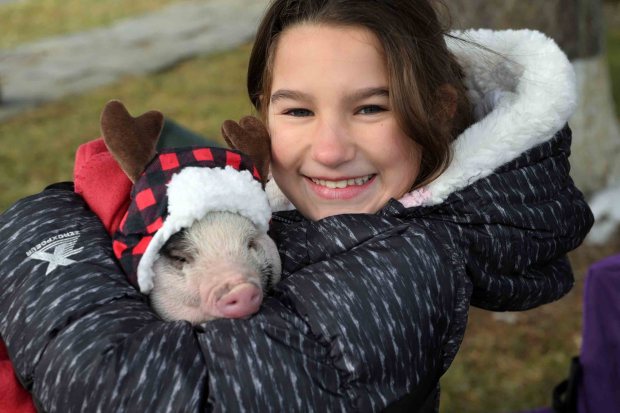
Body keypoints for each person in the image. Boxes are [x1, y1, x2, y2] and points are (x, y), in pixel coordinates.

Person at [0, 0, 593, 411]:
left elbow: (130, 395)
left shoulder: (410, 267)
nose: (329, 151)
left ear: (436, 112)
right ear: (262, 114)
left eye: (369, 108)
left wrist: (42, 230)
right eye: (297, 111)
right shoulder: (332, 220)